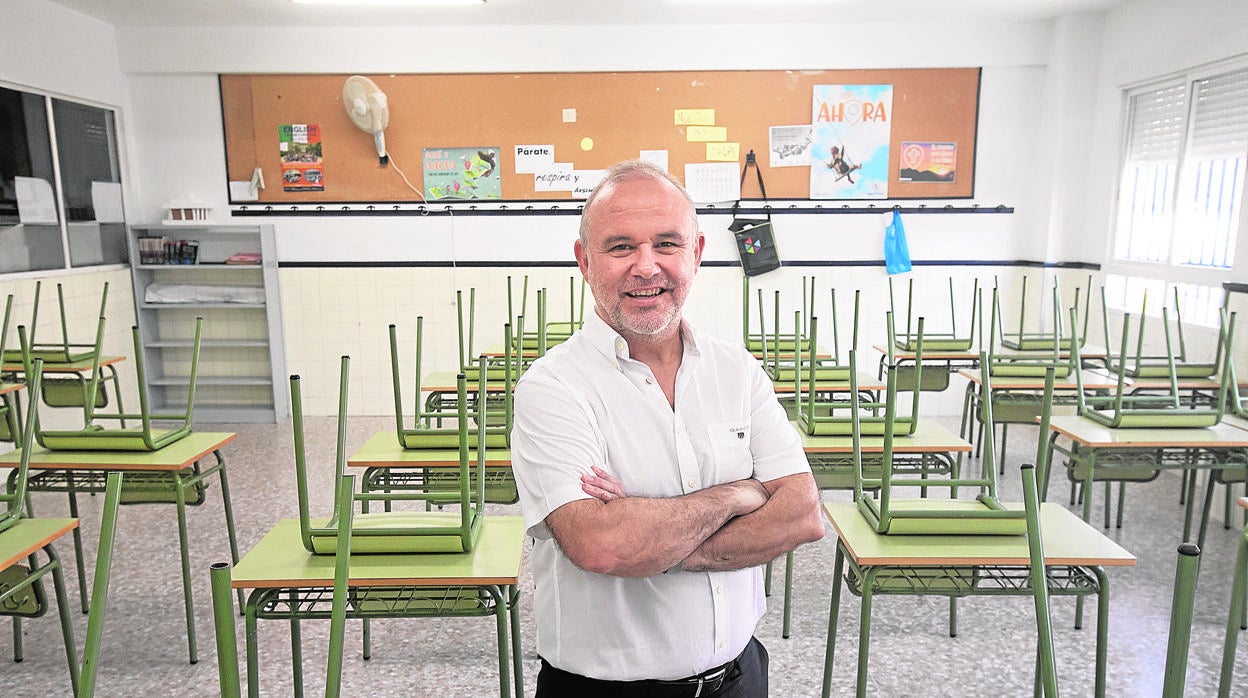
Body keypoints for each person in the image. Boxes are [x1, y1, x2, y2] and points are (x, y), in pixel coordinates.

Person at [510, 159, 824, 697]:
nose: (646, 266)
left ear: (697, 253)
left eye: (667, 244)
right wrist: (739, 495)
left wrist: (653, 542)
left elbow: (802, 515)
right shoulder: (552, 388)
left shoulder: (737, 371)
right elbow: (602, 545)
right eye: (620, 246)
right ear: (584, 260)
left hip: (740, 678)